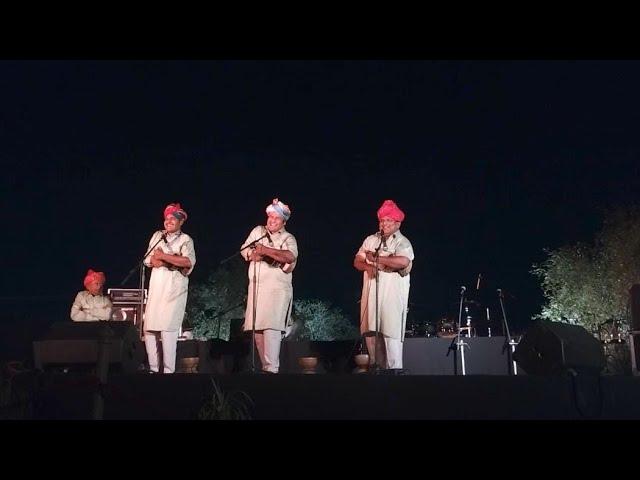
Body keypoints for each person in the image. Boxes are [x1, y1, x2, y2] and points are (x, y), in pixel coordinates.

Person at [353, 199, 414, 371]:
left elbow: (403, 261)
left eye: (388, 220)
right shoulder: (371, 240)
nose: (384, 223)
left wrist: (377, 259)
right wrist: (367, 266)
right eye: (382, 220)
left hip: (392, 297)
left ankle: (394, 370)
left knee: (390, 332)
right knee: (371, 332)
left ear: (397, 223)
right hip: (371, 296)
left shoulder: (402, 242)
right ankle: (375, 367)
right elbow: (357, 260)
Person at [241, 198, 298, 373]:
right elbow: (244, 249)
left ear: (283, 221)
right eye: (270, 217)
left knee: (271, 328)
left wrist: (265, 252)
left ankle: (272, 369)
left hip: (276, 292)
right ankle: (265, 368)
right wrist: (252, 254)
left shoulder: (288, 237)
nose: (272, 220)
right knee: (257, 329)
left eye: (276, 218)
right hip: (257, 289)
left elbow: (290, 257)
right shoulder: (258, 231)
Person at [143, 203, 196, 374]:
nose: (169, 221)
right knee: (149, 328)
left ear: (181, 222)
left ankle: (168, 371)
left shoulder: (186, 239)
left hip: (174, 291)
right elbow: (149, 259)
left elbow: (187, 262)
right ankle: (152, 368)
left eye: (173, 218)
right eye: (167, 218)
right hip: (156, 289)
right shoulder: (158, 235)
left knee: (168, 329)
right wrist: (171, 259)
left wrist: (163, 256)